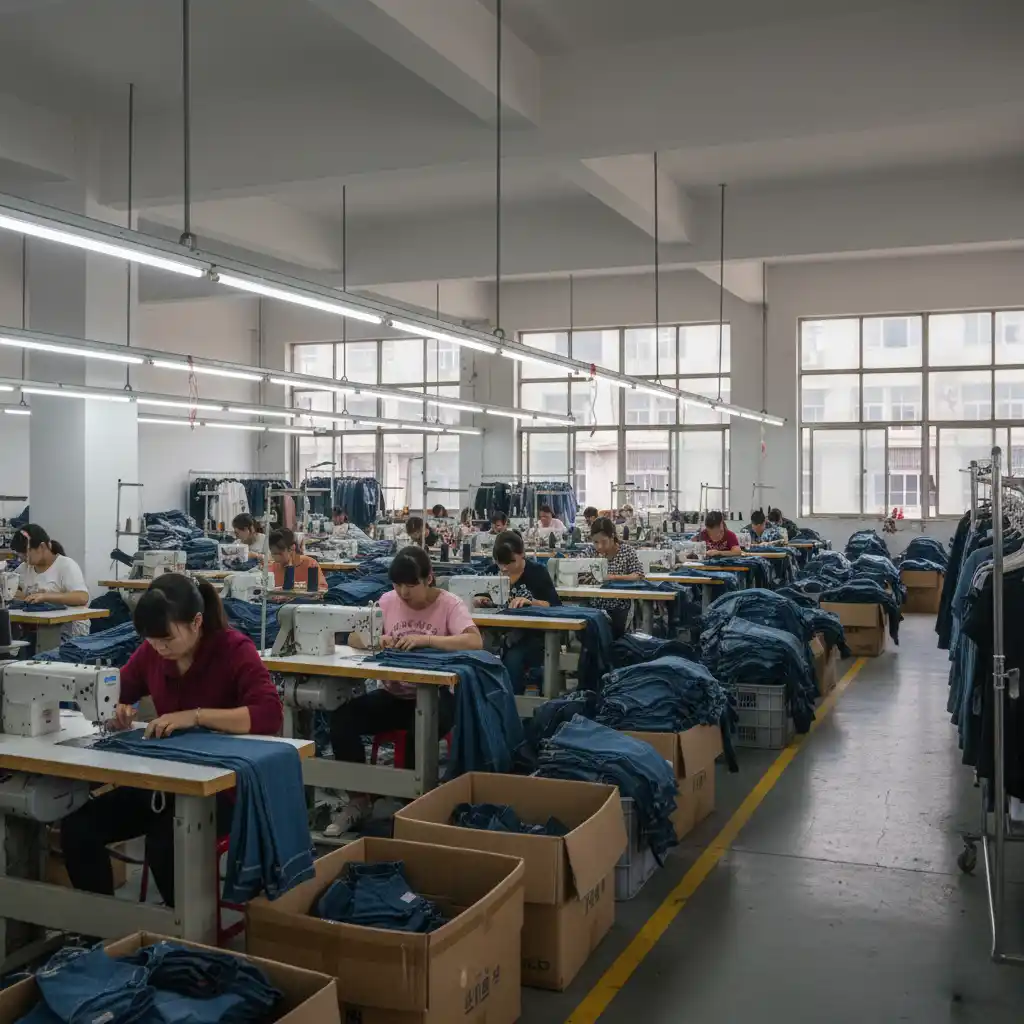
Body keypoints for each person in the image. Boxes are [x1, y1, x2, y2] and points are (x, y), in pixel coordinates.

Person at [59, 574, 283, 907]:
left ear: (196, 622)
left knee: (165, 843)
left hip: (224, 786)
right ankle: (99, 935)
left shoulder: (234, 649)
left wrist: (195, 716)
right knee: (78, 827)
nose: (160, 648)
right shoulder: (153, 653)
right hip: (166, 779)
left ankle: (182, 940)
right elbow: (118, 690)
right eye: (151, 641)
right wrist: (116, 710)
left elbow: (270, 715)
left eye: (166, 639)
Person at [326, 547, 481, 836]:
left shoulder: (450, 605)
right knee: (342, 720)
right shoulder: (387, 601)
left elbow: (474, 642)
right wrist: (378, 640)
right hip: (394, 695)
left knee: (417, 732)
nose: (404, 593)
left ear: (429, 579)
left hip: (437, 697)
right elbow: (353, 636)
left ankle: (412, 809)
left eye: (411, 586)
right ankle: (359, 801)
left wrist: (427, 640)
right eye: (398, 586)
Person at [486, 531, 561, 694]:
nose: (504, 568)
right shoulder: (491, 572)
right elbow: (478, 596)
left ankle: (512, 708)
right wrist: (480, 600)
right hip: (497, 635)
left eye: (510, 562)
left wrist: (532, 602)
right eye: (500, 563)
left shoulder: (537, 573)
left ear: (522, 555)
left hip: (531, 636)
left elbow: (555, 605)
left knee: (513, 660)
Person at [11, 525, 90, 638]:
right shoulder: (24, 568)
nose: (22, 558)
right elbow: (13, 589)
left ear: (42, 547)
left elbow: (82, 597)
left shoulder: (66, 565)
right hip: (37, 629)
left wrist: (45, 597)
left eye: (25, 553)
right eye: (19, 554)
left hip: (70, 633)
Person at [588, 516, 644, 638]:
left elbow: (638, 575)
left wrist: (613, 577)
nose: (599, 547)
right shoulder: (590, 552)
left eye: (603, 542)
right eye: (595, 542)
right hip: (595, 606)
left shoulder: (627, 551)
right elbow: (574, 565)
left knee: (616, 635)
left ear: (612, 536)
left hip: (620, 606)